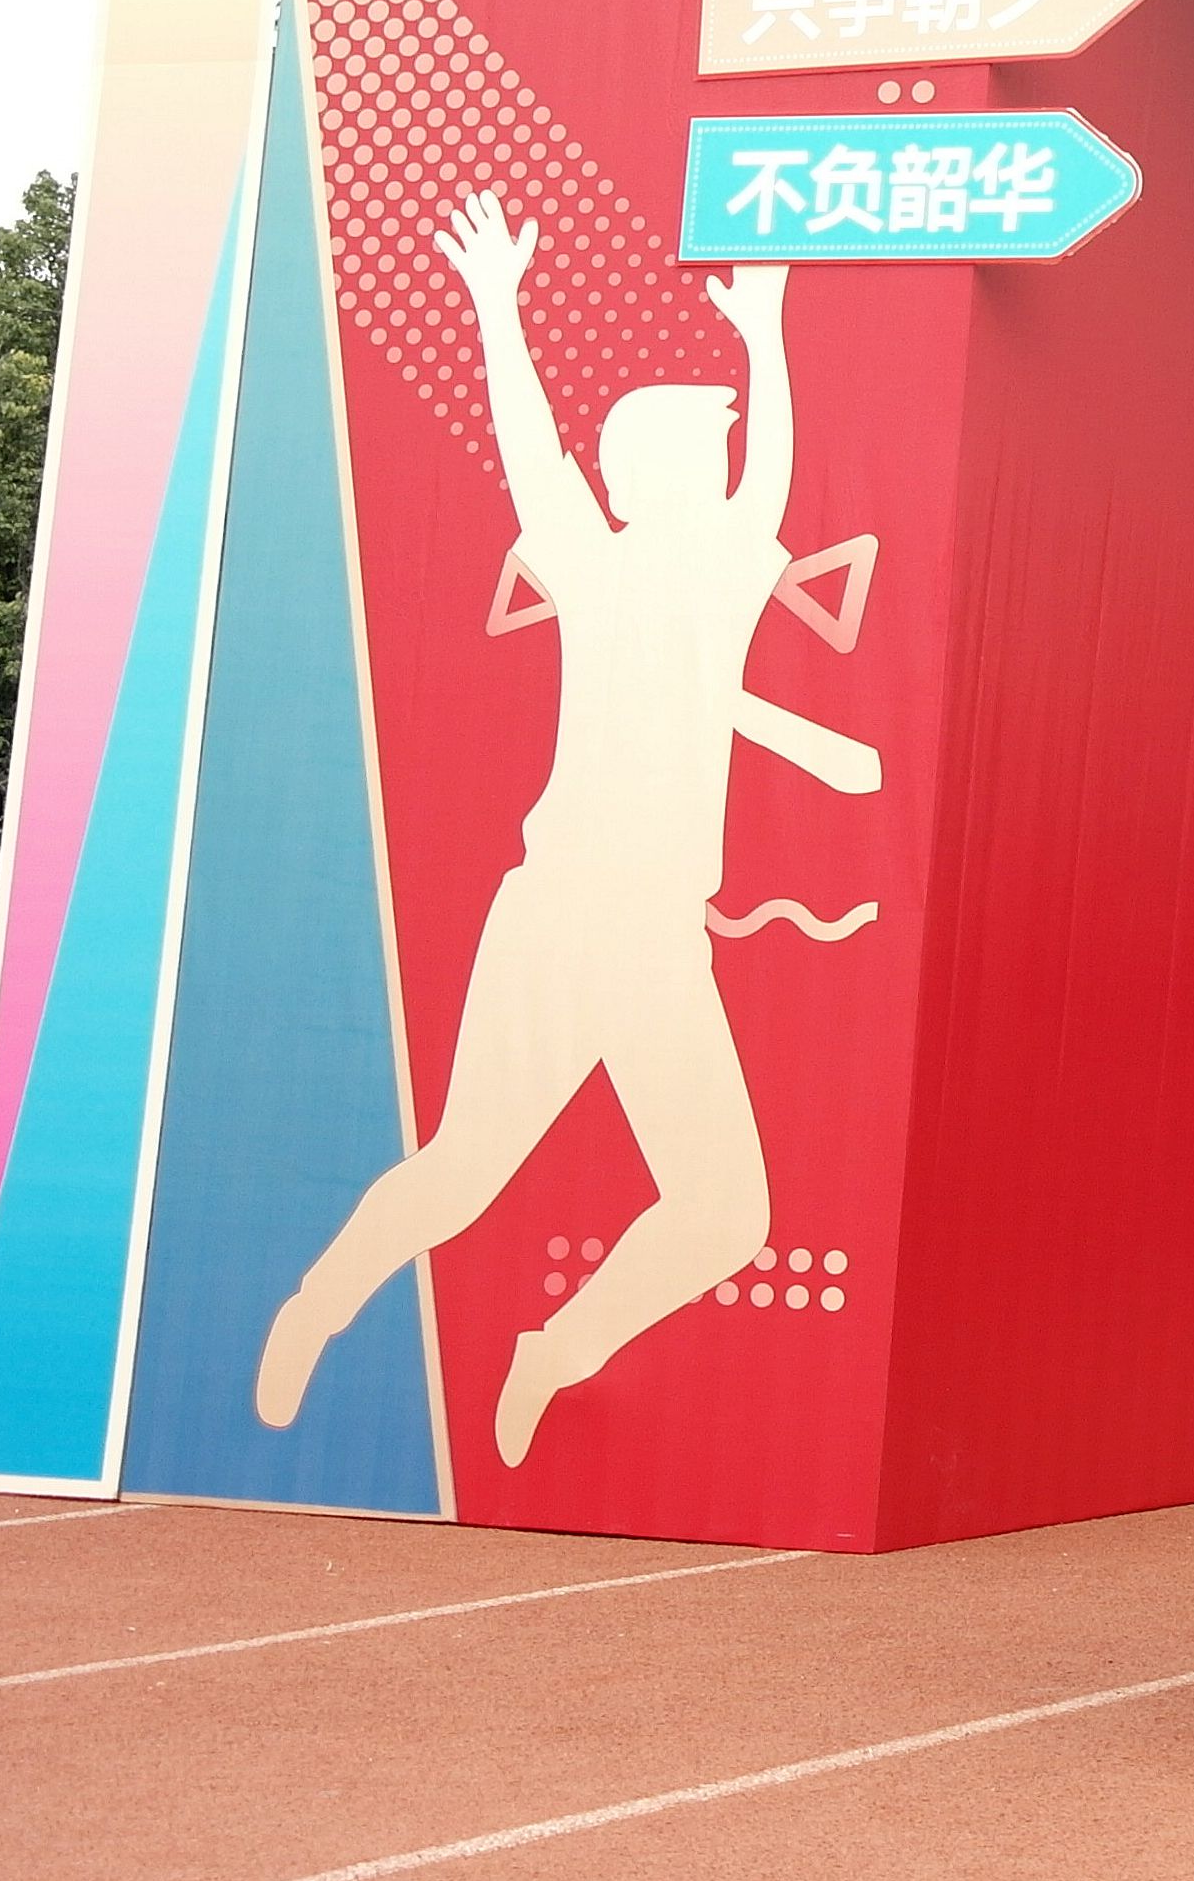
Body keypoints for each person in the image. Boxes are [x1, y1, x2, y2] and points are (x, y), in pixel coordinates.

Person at [254, 205, 877, 1482]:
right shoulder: (589, 563)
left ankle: (556, 1347)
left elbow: (771, 475)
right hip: (560, 913)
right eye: (696, 447)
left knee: (725, 1209)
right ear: (635, 475)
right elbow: (532, 450)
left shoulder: (726, 572)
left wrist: (765, 332)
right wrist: (498, 306)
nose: (719, 464)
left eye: (719, 447)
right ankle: (318, 1302)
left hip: (661, 938)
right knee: (464, 1170)